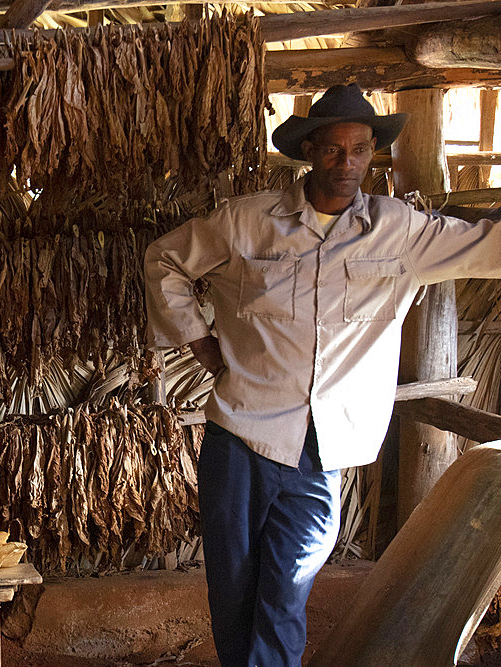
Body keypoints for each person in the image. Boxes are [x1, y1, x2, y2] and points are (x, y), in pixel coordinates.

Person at [144, 83, 501, 666]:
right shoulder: (247, 223)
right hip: (241, 436)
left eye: (359, 149)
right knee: (234, 590)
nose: (347, 163)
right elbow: (164, 262)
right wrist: (198, 341)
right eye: (334, 149)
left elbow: (490, 247)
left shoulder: (401, 232)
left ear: (372, 154)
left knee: (286, 588)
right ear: (309, 149)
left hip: (324, 451)